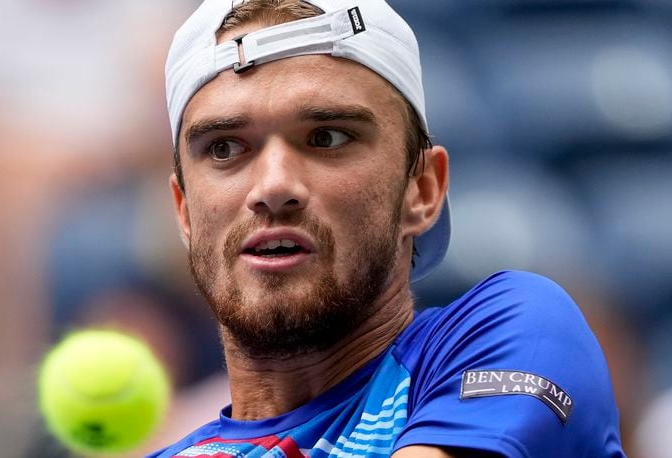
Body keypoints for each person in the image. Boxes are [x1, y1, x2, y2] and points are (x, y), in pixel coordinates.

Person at [152, 0, 626, 456]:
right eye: (223, 148)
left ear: (421, 190)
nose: (274, 186)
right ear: (185, 211)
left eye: (327, 137)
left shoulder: (522, 334)